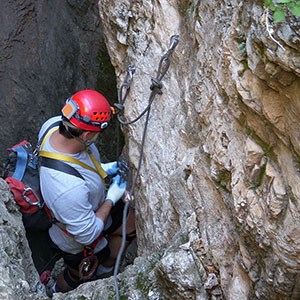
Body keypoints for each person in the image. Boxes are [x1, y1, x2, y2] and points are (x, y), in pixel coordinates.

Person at [38, 89, 135, 293]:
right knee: (80, 273)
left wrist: (103, 168)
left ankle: (106, 272)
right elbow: (87, 234)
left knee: (131, 223)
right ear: (88, 134)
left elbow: (78, 162)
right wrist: (111, 199)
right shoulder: (67, 188)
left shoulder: (53, 126)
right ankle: (58, 291)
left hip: (89, 205)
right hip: (73, 235)